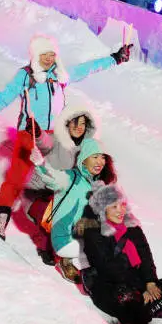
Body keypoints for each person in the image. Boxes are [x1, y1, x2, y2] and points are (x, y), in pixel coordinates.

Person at [0, 37, 130, 240]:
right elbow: (4, 97)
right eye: (43, 54)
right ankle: (1, 219)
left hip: (56, 136)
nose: (48, 59)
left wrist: (115, 58)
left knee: (60, 179)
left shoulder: (60, 75)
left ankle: (54, 225)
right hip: (30, 133)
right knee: (16, 178)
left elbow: (89, 67)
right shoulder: (26, 76)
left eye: (52, 54)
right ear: (35, 55)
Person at [80, 183, 162, 324]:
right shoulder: (94, 232)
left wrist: (150, 283)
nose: (120, 211)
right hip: (108, 286)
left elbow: (145, 257)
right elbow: (107, 268)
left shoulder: (133, 228)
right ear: (103, 210)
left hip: (135, 281)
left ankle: (148, 310)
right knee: (126, 298)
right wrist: (139, 290)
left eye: (122, 205)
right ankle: (152, 310)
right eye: (114, 207)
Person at [21, 105, 100, 265]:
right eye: (75, 122)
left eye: (83, 123)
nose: (79, 127)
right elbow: (45, 142)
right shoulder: (57, 140)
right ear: (67, 123)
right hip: (41, 191)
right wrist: (37, 133)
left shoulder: (87, 148)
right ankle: (47, 246)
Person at [31, 136, 115, 281]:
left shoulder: (99, 184)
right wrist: (41, 164)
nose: (100, 162)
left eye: (102, 158)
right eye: (95, 157)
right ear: (84, 159)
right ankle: (65, 261)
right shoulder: (72, 178)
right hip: (64, 231)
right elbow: (54, 178)